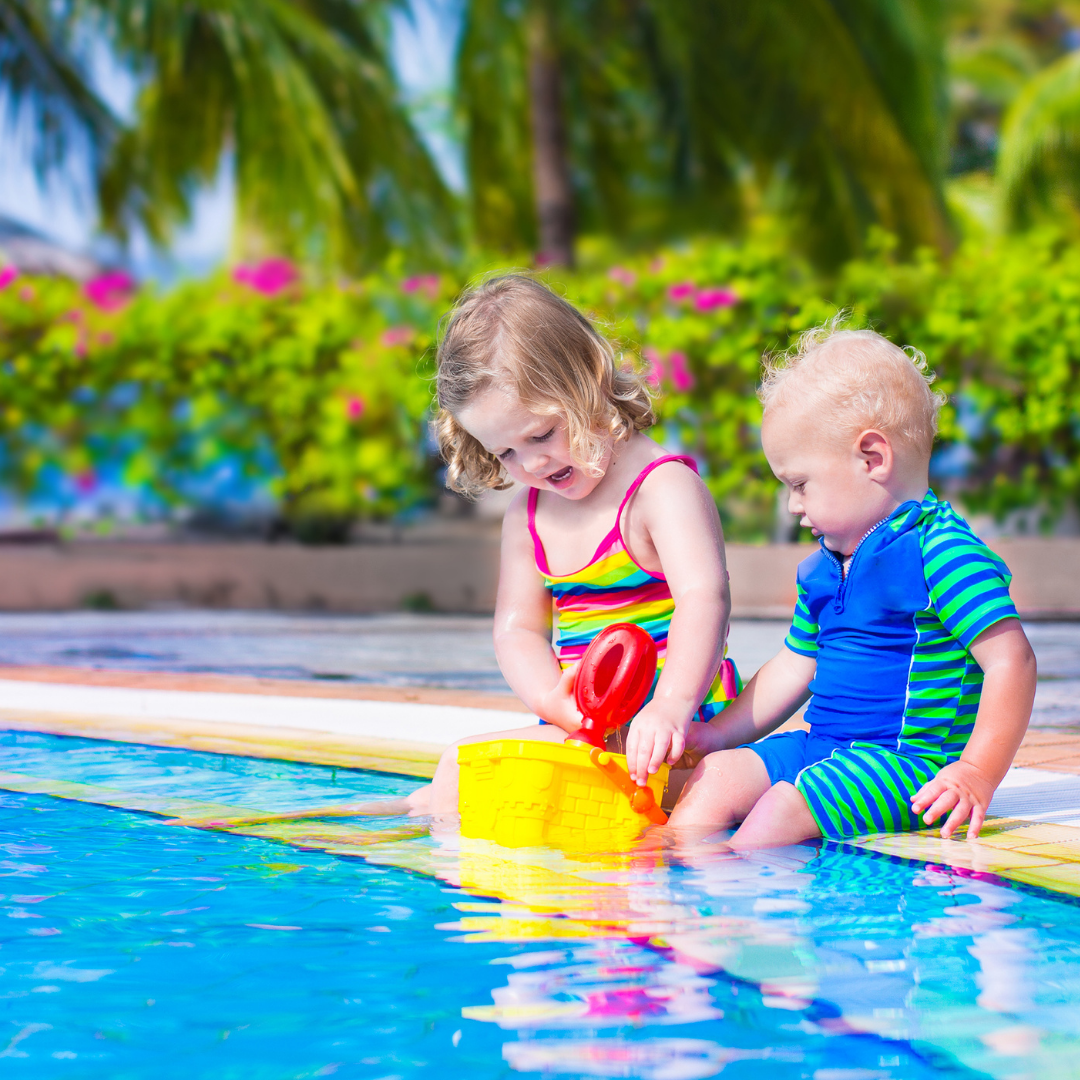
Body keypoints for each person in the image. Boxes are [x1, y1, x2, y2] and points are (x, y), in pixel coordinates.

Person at [669, 325, 1037, 849]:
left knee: (779, 809)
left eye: (799, 484)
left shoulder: (943, 552)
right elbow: (793, 666)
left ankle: (738, 905)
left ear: (872, 459)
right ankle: (672, 886)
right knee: (717, 777)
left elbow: (1012, 663)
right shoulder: (822, 567)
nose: (793, 506)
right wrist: (716, 735)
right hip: (824, 750)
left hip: (908, 768)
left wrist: (976, 772)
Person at [406, 273, 740, 816]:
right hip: (587, 734)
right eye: (506, 453)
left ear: (586, 379)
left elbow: (707, 601)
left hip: (678, 736)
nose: (531, 465)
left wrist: (671, 705)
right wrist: (550, 701)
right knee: (450, 782)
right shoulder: (529, 515)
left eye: (540, 435)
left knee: (459, 790)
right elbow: (518, 630)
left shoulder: (659, 488)